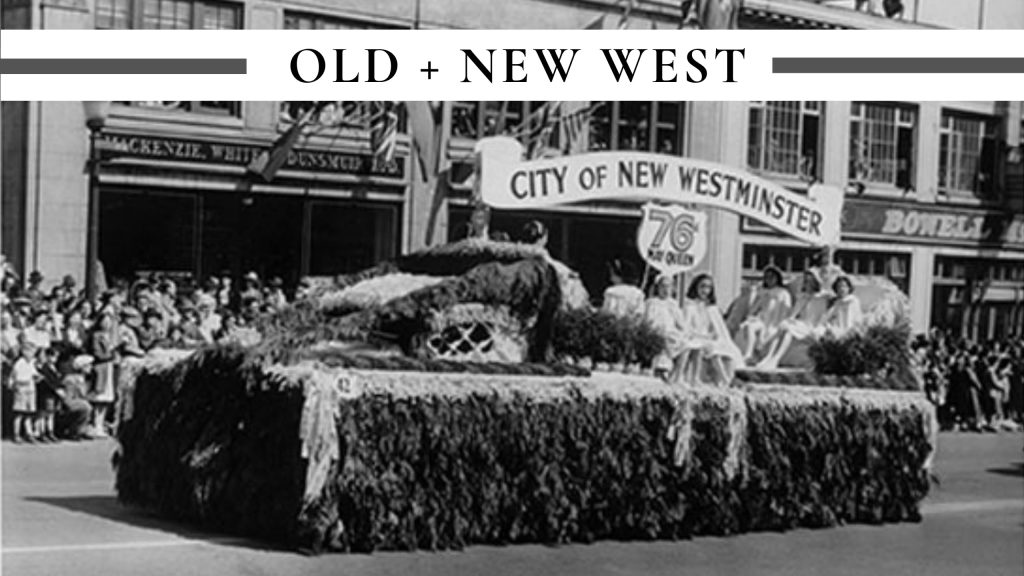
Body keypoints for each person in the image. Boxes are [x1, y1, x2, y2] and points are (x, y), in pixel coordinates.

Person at [756, 269, 831, 370]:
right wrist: (789, 321)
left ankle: (776, 359)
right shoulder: (802, 297)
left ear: (815, 283)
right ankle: (769, 357)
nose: (808, 284)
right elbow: (793, 314)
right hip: (800, 324)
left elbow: (823, 317)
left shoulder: (822, 298)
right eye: (806, 281)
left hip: (810, 327)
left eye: (810, 282)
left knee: (788, 330)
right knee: (784, 326)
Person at [678, 274, 744, 387]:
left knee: (724, 350)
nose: (705, 290)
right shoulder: (690, 306)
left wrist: (713, 335)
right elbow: (687, 328)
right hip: (695, 338)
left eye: (708, 287)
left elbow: (717, 328)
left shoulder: (711, 308)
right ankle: (725, 380)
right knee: (710, 350)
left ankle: (726, 379)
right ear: (696, 287)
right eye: (702, 286)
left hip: (708, 338)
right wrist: (702, 336)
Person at [734, 265, 792, 365]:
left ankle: (769, 359)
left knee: (774, 333)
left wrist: (781, 322)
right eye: (767, 277)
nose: (769, 280)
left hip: (775, 321)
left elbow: (786, 310)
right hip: (762, 320)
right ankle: (749, 353)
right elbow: (753, 309)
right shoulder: (762, 292)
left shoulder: (783, 293)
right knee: (750, 326)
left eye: (772, 277)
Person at [643, 275, 687, 381]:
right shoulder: (651, 302)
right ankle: (662, 371)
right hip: (656, 332)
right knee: (663, 342)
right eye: (663, 286)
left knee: (686, 344)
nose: (666, 290)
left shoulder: (673, 304)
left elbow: (681, 324)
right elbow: (648, 320)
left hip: (672, 333)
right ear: (657, 288)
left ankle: (676, 377)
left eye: (669, 287)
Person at [89, 312, 117, 437]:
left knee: (106, 399)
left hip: (109, 367)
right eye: (104, 321)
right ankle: (96, 424)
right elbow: (97, 353)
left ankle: (101, 423)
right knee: (98, 398)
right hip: (101, 366)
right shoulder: (96, 336)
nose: (106, 324)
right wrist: (111, 354)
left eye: (109, 322)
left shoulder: (111, 336)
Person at [56, 355, 95, 440]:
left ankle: (82, 430)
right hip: (68, 406)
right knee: (86, 407)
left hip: (78, 402)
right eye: (88, 365)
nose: (91, 367)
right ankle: (74, 431)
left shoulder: (85, 379)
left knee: (88, 406)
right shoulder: (71, 379)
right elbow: (67, 399)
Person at [9, 339, 41, 443]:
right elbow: (17, 378)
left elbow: (34, 373)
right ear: (24, 352)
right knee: (19, 413)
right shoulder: (19, 364)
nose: (33, 355)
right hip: (22, 390)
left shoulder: (31, 363)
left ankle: (29, 433)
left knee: (29, 413)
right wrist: (27, 379)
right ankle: (16, 434)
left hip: (31, 390)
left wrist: (37, 376)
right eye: (31, 352)